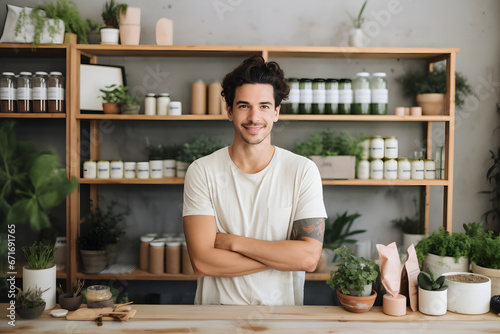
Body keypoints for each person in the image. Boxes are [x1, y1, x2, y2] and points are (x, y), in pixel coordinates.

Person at [182, 55, 327, 305]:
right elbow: (203, 262)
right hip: (214, 321)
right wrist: (281, 257)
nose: (254, 117)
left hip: (281, 321)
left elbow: (308, 259)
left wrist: (233, 242)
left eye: (264, 106)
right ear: (229, 111)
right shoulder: (202, 171)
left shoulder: (302, 171)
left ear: (276, 112)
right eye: (243, 106)